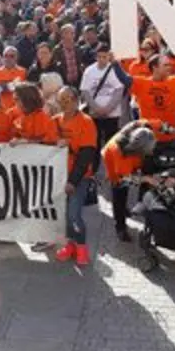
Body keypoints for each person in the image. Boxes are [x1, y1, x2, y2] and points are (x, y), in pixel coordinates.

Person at [53, 86, 98, 268]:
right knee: (64, 215)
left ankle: (82, 248)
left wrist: (73, 181)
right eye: (61, 100)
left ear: (76, 100)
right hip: (58, 177)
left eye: (68, 100)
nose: (64, 104)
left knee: (73, 214)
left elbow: (86, 155)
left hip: (79, 179)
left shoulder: (86, 122)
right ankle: (70, 245)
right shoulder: (55, 121)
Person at [102, 120, 156, 242]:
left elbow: (156, 124)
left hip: (131, 159)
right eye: (149, 150)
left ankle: (141, 206)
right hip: (113, 163)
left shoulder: (143, 128)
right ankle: (120, 227)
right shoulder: (120, 153)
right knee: (119, 191)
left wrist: (170, 129)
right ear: (139, 150)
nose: (152, 151)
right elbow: (125, 177)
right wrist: (145, 178)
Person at [80, 43, 133, 147]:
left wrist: (108, 109)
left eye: (104, 57)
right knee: (95, 141)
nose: (101, 59)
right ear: (95, 56)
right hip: (94, 113)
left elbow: (119, 90)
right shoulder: (89, 71)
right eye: (99, 56)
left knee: (111, 142)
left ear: (109, 56)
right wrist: (96, 108)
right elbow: (85, 91)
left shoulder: (115, 70)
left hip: (112, 114)